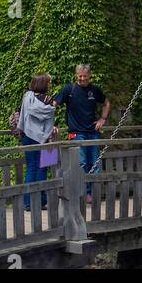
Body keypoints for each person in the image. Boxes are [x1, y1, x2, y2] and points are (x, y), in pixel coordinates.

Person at [55, 64, 110, 198]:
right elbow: (53, 104)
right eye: (79, 76)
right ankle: (82, 192)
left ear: (89, 75)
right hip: (76, 132)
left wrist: (103, 118)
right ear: (76, 75)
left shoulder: (94, 90)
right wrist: (51, 124)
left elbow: (106, 103)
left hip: (92, 132)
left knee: (95, 163)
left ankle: (94, 193)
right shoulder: (69, 89)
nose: (82, 79)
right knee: (82, 163)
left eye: (85, 76)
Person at [17, 72, 57, 211]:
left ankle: (28, 203)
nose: (50, 84)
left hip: (27, 135)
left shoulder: (27, 97)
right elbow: (48, 118)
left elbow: (23, 115)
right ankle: (41, 202)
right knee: (43, 167)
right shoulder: (49, 100)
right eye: (48, 82)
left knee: (31, 167)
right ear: (43, 84)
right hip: (45, 137)